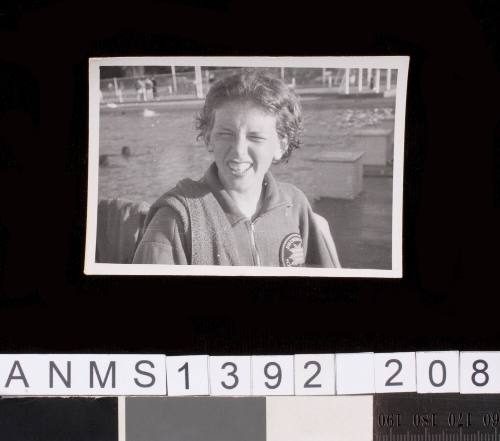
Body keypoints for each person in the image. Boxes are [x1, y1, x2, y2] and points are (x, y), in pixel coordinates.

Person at [132, 70, 336, 267]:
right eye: (225, 134)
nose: (239, 151)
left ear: (281, 146)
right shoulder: (176, 221)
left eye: (255, 137)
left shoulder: (294, 205)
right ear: (208, 138)